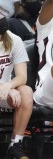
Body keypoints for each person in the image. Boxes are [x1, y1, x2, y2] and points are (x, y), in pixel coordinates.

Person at [0, 16, 33, 159]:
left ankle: (15, 144)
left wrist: (9, 85)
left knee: (26, 91)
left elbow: (22, 76)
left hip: (3, 93)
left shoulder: (14, 40)